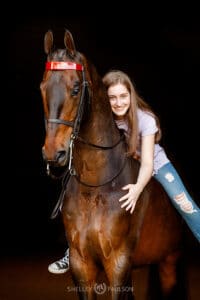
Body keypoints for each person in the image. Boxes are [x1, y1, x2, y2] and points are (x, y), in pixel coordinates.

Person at [48, 69, 200, 274]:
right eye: (112, 97)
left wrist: (137, 189)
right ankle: (72, 252)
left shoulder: (145, 119)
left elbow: (147, 163)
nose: (118, 102)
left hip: (154, 164)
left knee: (186, 204)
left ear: (131, 96)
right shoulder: (103, 117)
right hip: (122, 164)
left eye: (123, 96)